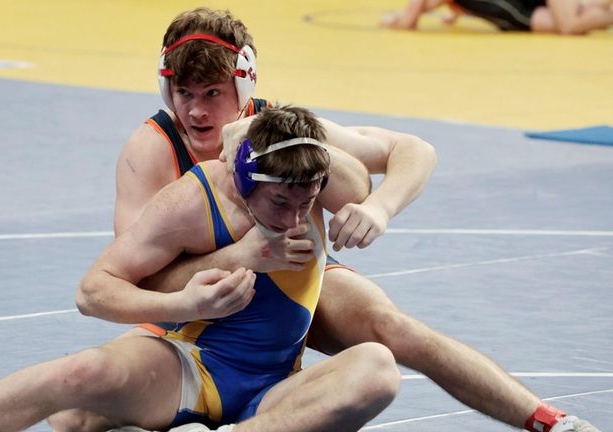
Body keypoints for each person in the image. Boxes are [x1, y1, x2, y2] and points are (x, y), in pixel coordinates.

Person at [70, 7, 596, 432]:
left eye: (213, 93)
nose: (199, 113)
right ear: (166, 90)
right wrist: (240, 258)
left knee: (393, 329)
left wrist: (378, 207)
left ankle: (551, 422)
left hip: (294, 278)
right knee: (75, 414)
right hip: (200, 304)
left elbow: (413, 149)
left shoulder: (283, 129)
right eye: (185, 94)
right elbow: (137, 282)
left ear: (245, 85)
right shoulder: (152, 149)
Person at [0, 105, 401, 432]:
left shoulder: (310, 183)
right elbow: (92, 292)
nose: (297, 218)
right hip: (197, 365)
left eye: (309, 201)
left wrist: (374, 209)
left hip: (279, 388)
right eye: (281, 203)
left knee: (378, 366)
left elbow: (412, 153)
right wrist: (183, 304)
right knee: (78, 381)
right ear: (245, 182)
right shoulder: (193, 199)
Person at [380, 0, 613, 34]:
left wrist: (395, 19)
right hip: (522, 9)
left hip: (520, 9)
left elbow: (408, 22)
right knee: (580, 14)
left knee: (570, 25)